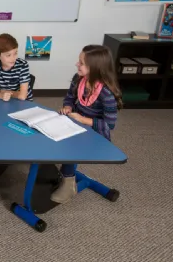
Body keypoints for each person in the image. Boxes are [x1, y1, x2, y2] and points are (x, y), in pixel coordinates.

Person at [51, 45, 122, 204]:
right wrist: (68, 107)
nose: (77, 64)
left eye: (81, 62)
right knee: (52, 135)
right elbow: (69, 97)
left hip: (95, 132)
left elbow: (109, 124)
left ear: (95, 68)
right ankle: (65, 173)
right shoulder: (79, 79)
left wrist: (83, 120)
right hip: (76, 121)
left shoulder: (106, 93)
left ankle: (69, 184)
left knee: (70, 146)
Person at [0, 33, 33, 102]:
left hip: (23, 103)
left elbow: (22, 96)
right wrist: (0, 95)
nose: (13, 58)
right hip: (4, 100)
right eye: (8, 55)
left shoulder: (23, 65)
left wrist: (5, 92)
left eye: (15, 53)